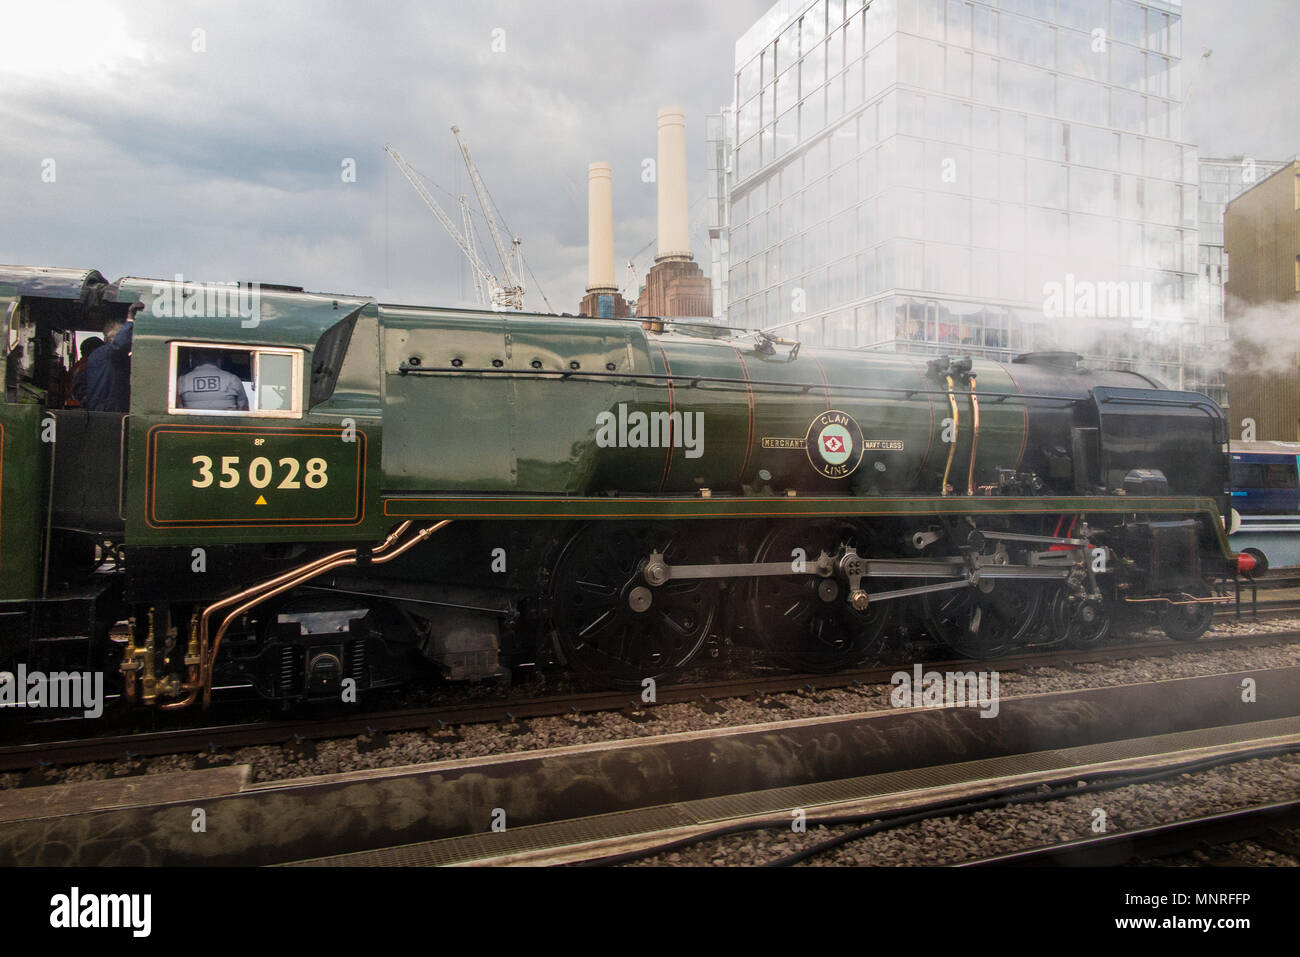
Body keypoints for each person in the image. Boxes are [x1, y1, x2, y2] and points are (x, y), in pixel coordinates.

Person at [85, 302, 143, 413]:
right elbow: (120, 345)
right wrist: (130, 319)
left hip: (98, 408)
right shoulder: (110, 353)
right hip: (110, 409)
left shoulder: (97, 354)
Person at [177, 349, 249, 411]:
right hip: (227, 423)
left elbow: (177, 406)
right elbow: (244, 408)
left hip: (191, 424)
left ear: (193, 360)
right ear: (219, 360)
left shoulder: (183, 380)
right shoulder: (232, 378)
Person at [67, 336, 103, 407]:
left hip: (72, 406)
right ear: (94, 351)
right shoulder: (88, 367)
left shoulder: (77, 367)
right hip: (82, 408)